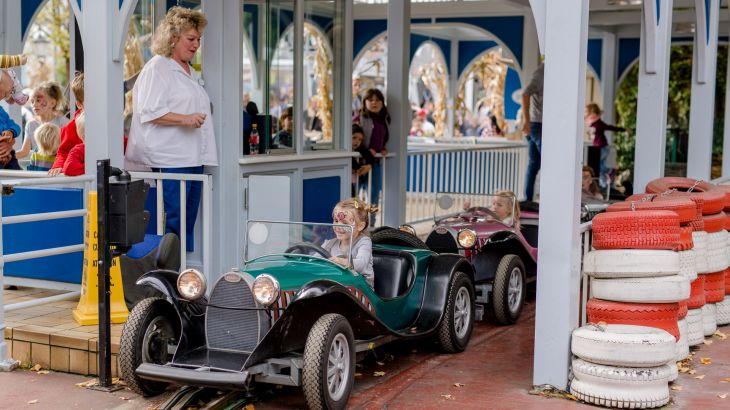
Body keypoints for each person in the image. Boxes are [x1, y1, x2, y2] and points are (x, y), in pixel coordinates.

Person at [125, 7, 217, 252]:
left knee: (187, 223)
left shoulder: (189, 71)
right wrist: (186, 119)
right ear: (173, 38)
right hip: (171, 158)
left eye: (198, 39)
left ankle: (183, 280)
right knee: (174, 221)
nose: (196, 44)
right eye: (191, 39)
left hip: (193, 156)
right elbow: (149, 111)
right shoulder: (158, 67)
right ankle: (169, 277)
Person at [353, 88, 389, 220]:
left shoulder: (383, 120)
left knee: (374, 193)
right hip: (359, 161)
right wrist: (367, 150)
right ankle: (355, 221)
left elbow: (380, 138)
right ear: (364, 102)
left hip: (375, 162)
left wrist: (381, 148)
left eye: (378, 100)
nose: (374, 103)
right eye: (371, 100)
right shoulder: (358, 118)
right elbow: (353, 138)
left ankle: (371, 222)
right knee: (355, 193)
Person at [323, 197, 375, 288]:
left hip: (361, 289)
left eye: (345, 223)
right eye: (336, 220)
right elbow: (314, 258)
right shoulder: (330, 243)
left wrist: (341, 261)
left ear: (360, 226)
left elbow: (361, 264)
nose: (338, 226)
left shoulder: (364, 242)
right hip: (336, 285)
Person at [17, 81, 69, 159]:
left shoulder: (63, 123)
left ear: (52, 103)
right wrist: (6, 156)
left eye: (38, 100)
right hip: (38, 168)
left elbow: (68, 150)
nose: (34, 104)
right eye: (32, 101)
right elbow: (24, 151)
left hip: (57, 168)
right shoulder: (31, 124)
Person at [585, 103, 631, 187]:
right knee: (599, 169)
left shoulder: (599, 124)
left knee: (599, 168)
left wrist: (624, 129)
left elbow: (611, 127)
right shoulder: (593, 124)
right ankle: (605, 184)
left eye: (589, 115)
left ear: (594, 115)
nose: (587, 118)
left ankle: (612, 172)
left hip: (602, 148)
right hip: (597, 149)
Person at [49, 72, 84, 176]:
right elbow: (63, 151)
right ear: (79, 104)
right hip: (80, 174)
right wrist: (58, 165)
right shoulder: (71, 127)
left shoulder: (107, 123)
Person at [521, 62, 544, 201]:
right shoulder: (542, 72)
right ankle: (530, 200)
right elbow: (525, 94)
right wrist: (527, 122)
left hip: (543, 125)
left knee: (534, 163)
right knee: (549, 162)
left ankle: (528, 200)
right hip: (537, 125)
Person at [0, 70, 23, 170]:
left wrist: (11, 133)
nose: (4, 97)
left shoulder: (1, 111)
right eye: (4, 93)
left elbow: (15, 126)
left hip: (9, 155)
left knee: (17, 177)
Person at [352, 123, 374, 196]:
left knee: (354, 201)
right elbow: (351, 161)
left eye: (360, 139)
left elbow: (369, 156)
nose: (357, 141)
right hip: (346, 182)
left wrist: (368, 166)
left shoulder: (360, 149)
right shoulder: (344, 150)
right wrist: (358, 168)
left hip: (356, 182)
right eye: (354, 137)